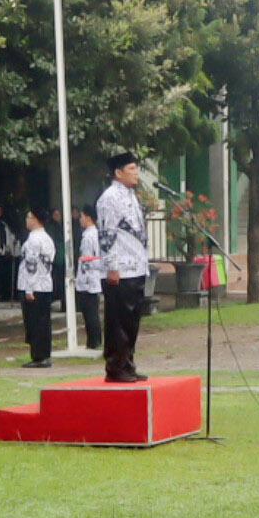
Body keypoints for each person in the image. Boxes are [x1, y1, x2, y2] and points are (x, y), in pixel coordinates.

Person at [97, 153, 150, 383]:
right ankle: (116, 366)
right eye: (131, 168)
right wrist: (111, 266)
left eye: (137, 167)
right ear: (118, 173)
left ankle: (127, 363)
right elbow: (107, 234)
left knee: (132, 319)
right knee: (118, 320)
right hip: (120, 269)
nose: (136, 172)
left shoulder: (130, 195)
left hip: (136, 265)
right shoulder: (110, 197)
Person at [18, 207, 56, 368]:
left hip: (33, 286)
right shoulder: (47, 238)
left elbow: (31, 264)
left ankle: (39, 356)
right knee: (43, 321)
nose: (26, 220)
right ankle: (43, 354)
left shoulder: (33, 240)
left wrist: (29, 288)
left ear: (36, 220)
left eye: (29, 217)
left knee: (35, 322)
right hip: (45, 283)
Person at [75, 204, 104, 351]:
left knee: (90, 313)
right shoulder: (94, 234)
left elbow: (89, 259)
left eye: (81, 216)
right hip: (91, 279)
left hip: (89, 280)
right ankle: (94, 340)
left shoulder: (89, 236)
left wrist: (86, 264)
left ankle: (94, 341)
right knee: (91, 312)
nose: (80, 219)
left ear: (88, 217)